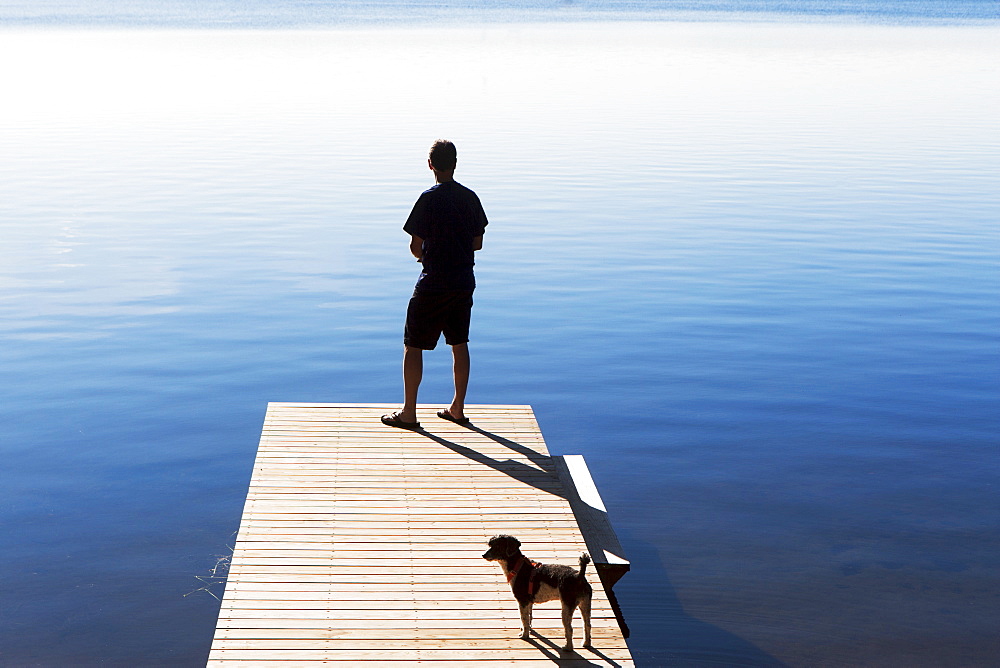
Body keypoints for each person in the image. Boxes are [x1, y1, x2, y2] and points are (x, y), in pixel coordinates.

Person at [381, 140, 488, 430]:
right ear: (455, 163)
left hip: (433, 283)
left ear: (431, 165)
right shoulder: (471, 198)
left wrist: (428, 253)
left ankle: (409, 413)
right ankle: (457, 408)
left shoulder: (428, 199)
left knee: (413, 344)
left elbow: (416, 247)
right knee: (459, 342)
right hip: (463, 281)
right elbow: (477, 243)